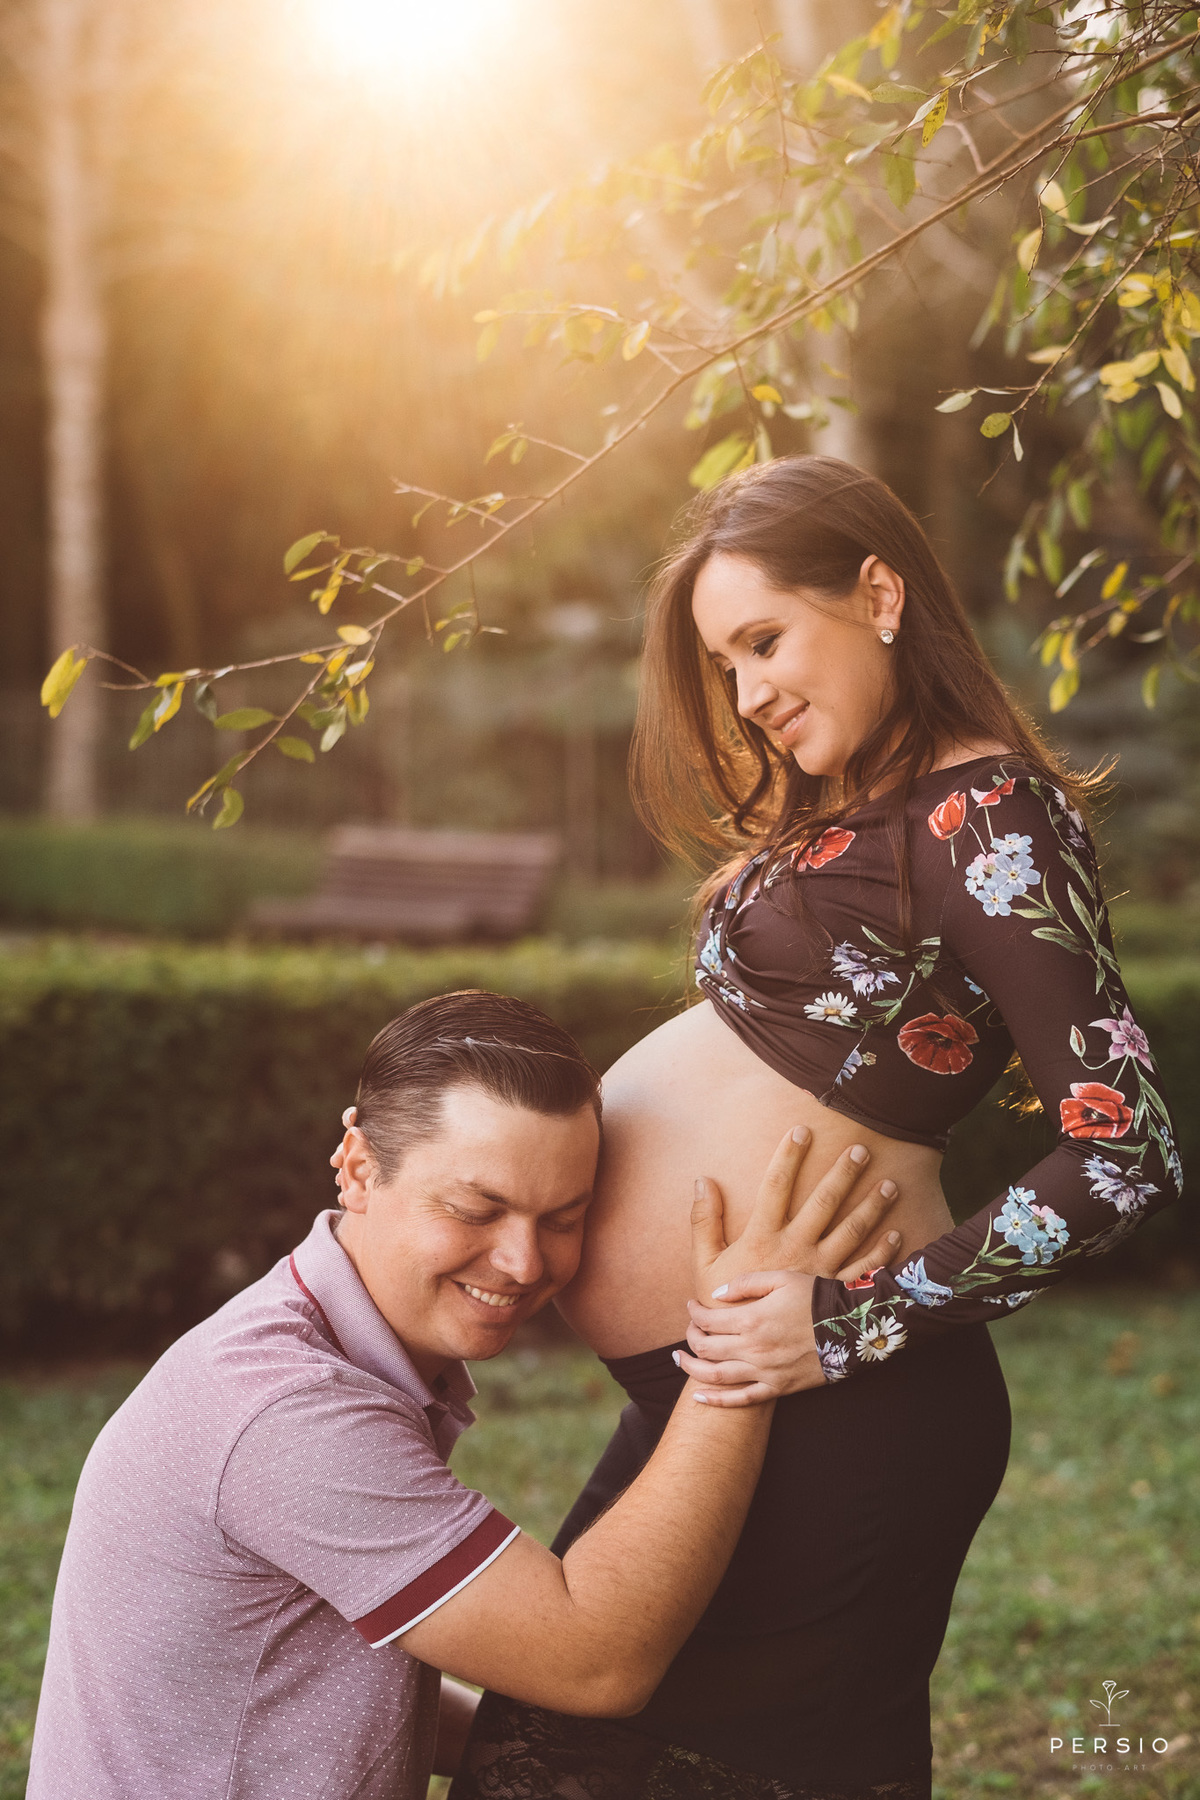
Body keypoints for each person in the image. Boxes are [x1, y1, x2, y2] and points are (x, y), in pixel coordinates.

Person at [450, 457, 1183, 1800]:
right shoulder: (864, 810)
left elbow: (1125, 1153)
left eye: (764, 641)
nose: (748, 694)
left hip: (845, 1405)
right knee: (558, 1736)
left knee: (572, 1756)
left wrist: (850, 1322)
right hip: (728, 1390)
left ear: (881, 593)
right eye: (725, 663)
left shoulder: (989, 819)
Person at [27, 987, 900, 1800]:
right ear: (358, 1167)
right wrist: (735, 1343)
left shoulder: (316, 1344)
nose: (525, 1263)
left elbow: (331, 1691)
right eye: (478, 1211)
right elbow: (595, 1659)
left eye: (563, 1218)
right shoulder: (284, 1414)